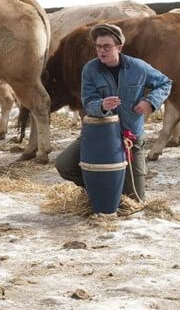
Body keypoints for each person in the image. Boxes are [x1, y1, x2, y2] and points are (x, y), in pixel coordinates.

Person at [55, 22, 172, 203]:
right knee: (64, 164)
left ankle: (116, 189)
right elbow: (88, 102)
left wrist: (150, 101)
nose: (102, 51)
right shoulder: (90, 70)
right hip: (99, 135)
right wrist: (101, 105)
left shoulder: (139, 67)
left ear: (119, 47)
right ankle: (99, 189)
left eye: (107, 46)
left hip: (130, 139)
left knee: (134, 201)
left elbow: (165, 83)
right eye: (98, 47)